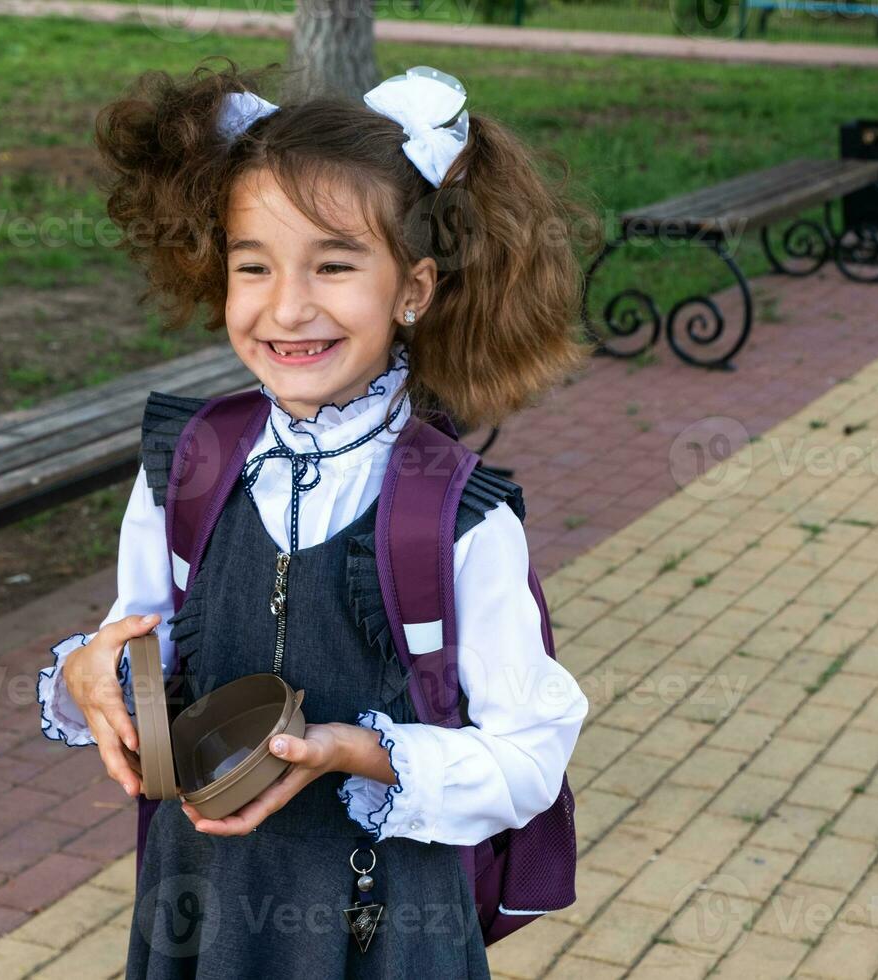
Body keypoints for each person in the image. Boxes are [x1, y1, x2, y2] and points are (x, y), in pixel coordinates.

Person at [34, 57, 597, 977]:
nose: (287, 306)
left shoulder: (456, 516)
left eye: (334, 265)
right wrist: (94, 678)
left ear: (412, 289)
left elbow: (529, 758)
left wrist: (363, 753)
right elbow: (138, 645)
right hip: (200, 916)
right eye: (253, 266)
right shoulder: (186, 468)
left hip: (381, 931)